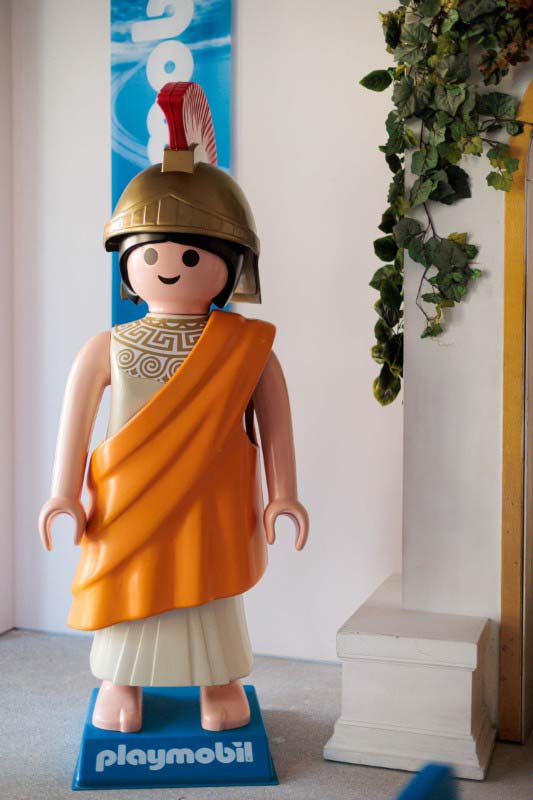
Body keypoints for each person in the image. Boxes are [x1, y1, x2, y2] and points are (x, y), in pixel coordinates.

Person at [38, 82, 309, 735]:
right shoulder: (107, 347)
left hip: (214, 504)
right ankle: (121, 683)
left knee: (210, 590)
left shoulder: (247, 349)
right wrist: (63, 494)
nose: (167, 267)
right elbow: (75, 427)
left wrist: (284, 496)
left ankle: (219, 683)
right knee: (128, 588)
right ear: (127, 265)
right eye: (151, 254)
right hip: (125, 505)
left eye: (189, 255)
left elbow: (275, 426)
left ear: (229, 265)